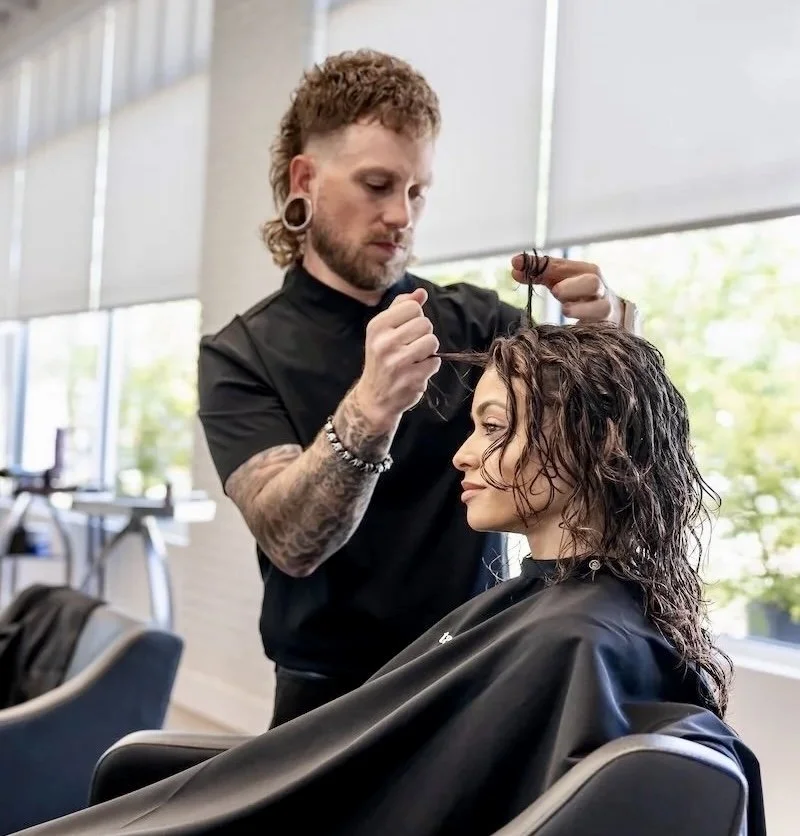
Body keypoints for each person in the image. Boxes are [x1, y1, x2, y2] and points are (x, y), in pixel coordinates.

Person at [16, 322, 765, 836]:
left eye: (495, 429)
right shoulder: (587, 622)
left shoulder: (572, 639)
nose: (462, 456)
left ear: (597, 439)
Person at [197, 49, 641, 726]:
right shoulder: (241, 354)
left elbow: (609, 439)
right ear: (306, 179)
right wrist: (371, 408)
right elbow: (291, 542)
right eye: (377, 184)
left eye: (417, 190)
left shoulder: (475, 322)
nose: (402, 216)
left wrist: (613, 329)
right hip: (327, 697)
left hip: (473, 669)